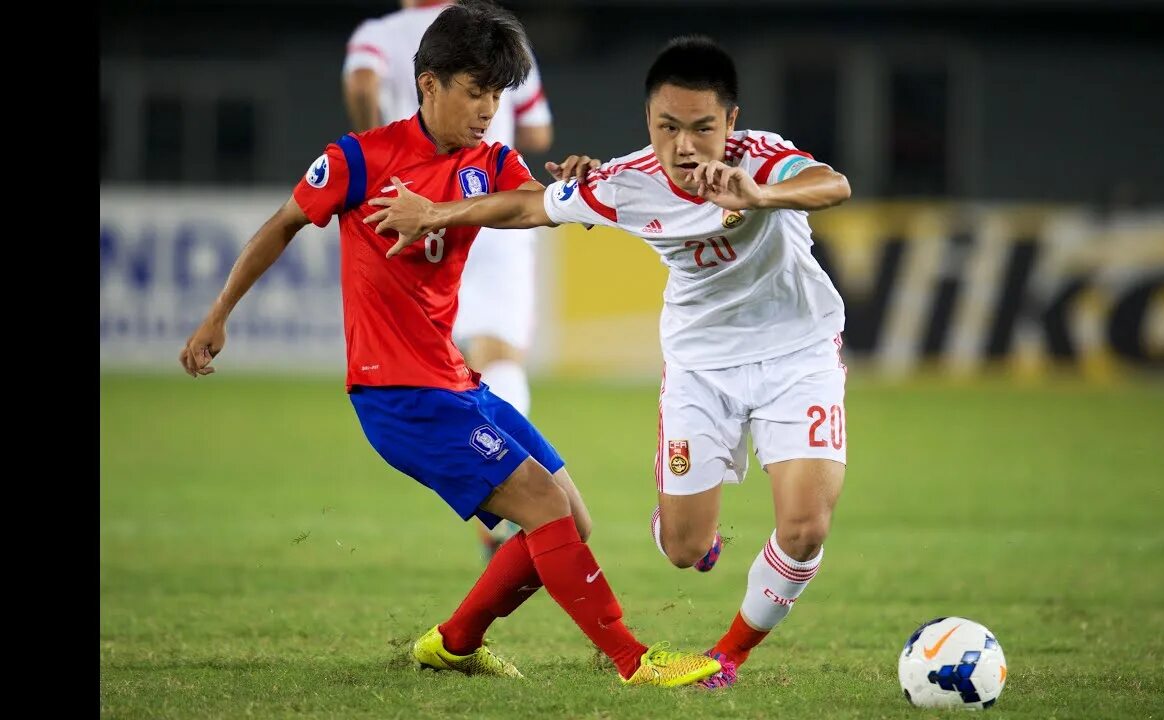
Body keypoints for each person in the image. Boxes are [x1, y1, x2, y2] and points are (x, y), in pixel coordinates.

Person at [179, 3, 719, 688]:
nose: (490, 108)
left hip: (455, 382)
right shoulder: (359, 159)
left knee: (571, 519)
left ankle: (454, 643)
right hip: (398, 394)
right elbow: (282, 224)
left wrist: (576, 189)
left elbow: (536, 206)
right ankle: (633, 660)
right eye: (476, 90)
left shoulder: (488, 160)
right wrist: (217, 316)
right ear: (428, 84)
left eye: (498, 93)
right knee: (546, 510)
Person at [364, 34, 853, 690]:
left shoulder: (762, 160)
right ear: (648, 124)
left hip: (798, 357)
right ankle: (689, 530)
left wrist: (758, 196)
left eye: (703, 128)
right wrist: (437, 213)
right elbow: (531, 205)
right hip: (700, 370)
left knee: (803, 528)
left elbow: (833, 184)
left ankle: (729, 656)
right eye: (666, 128)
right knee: (682, 550)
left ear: (731, 123)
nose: (684, 147)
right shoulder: (628, 182)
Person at [343, 0, 554, 561]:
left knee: (429, 358)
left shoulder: (381, 32)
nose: (488, 104)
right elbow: (537, 129)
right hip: (489, 202)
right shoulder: (499, 37)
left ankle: (502, 487)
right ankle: (506, 498)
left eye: (493, 94)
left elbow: (362, 83)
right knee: (500, 354)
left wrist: (382, 160)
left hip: (408, 206)